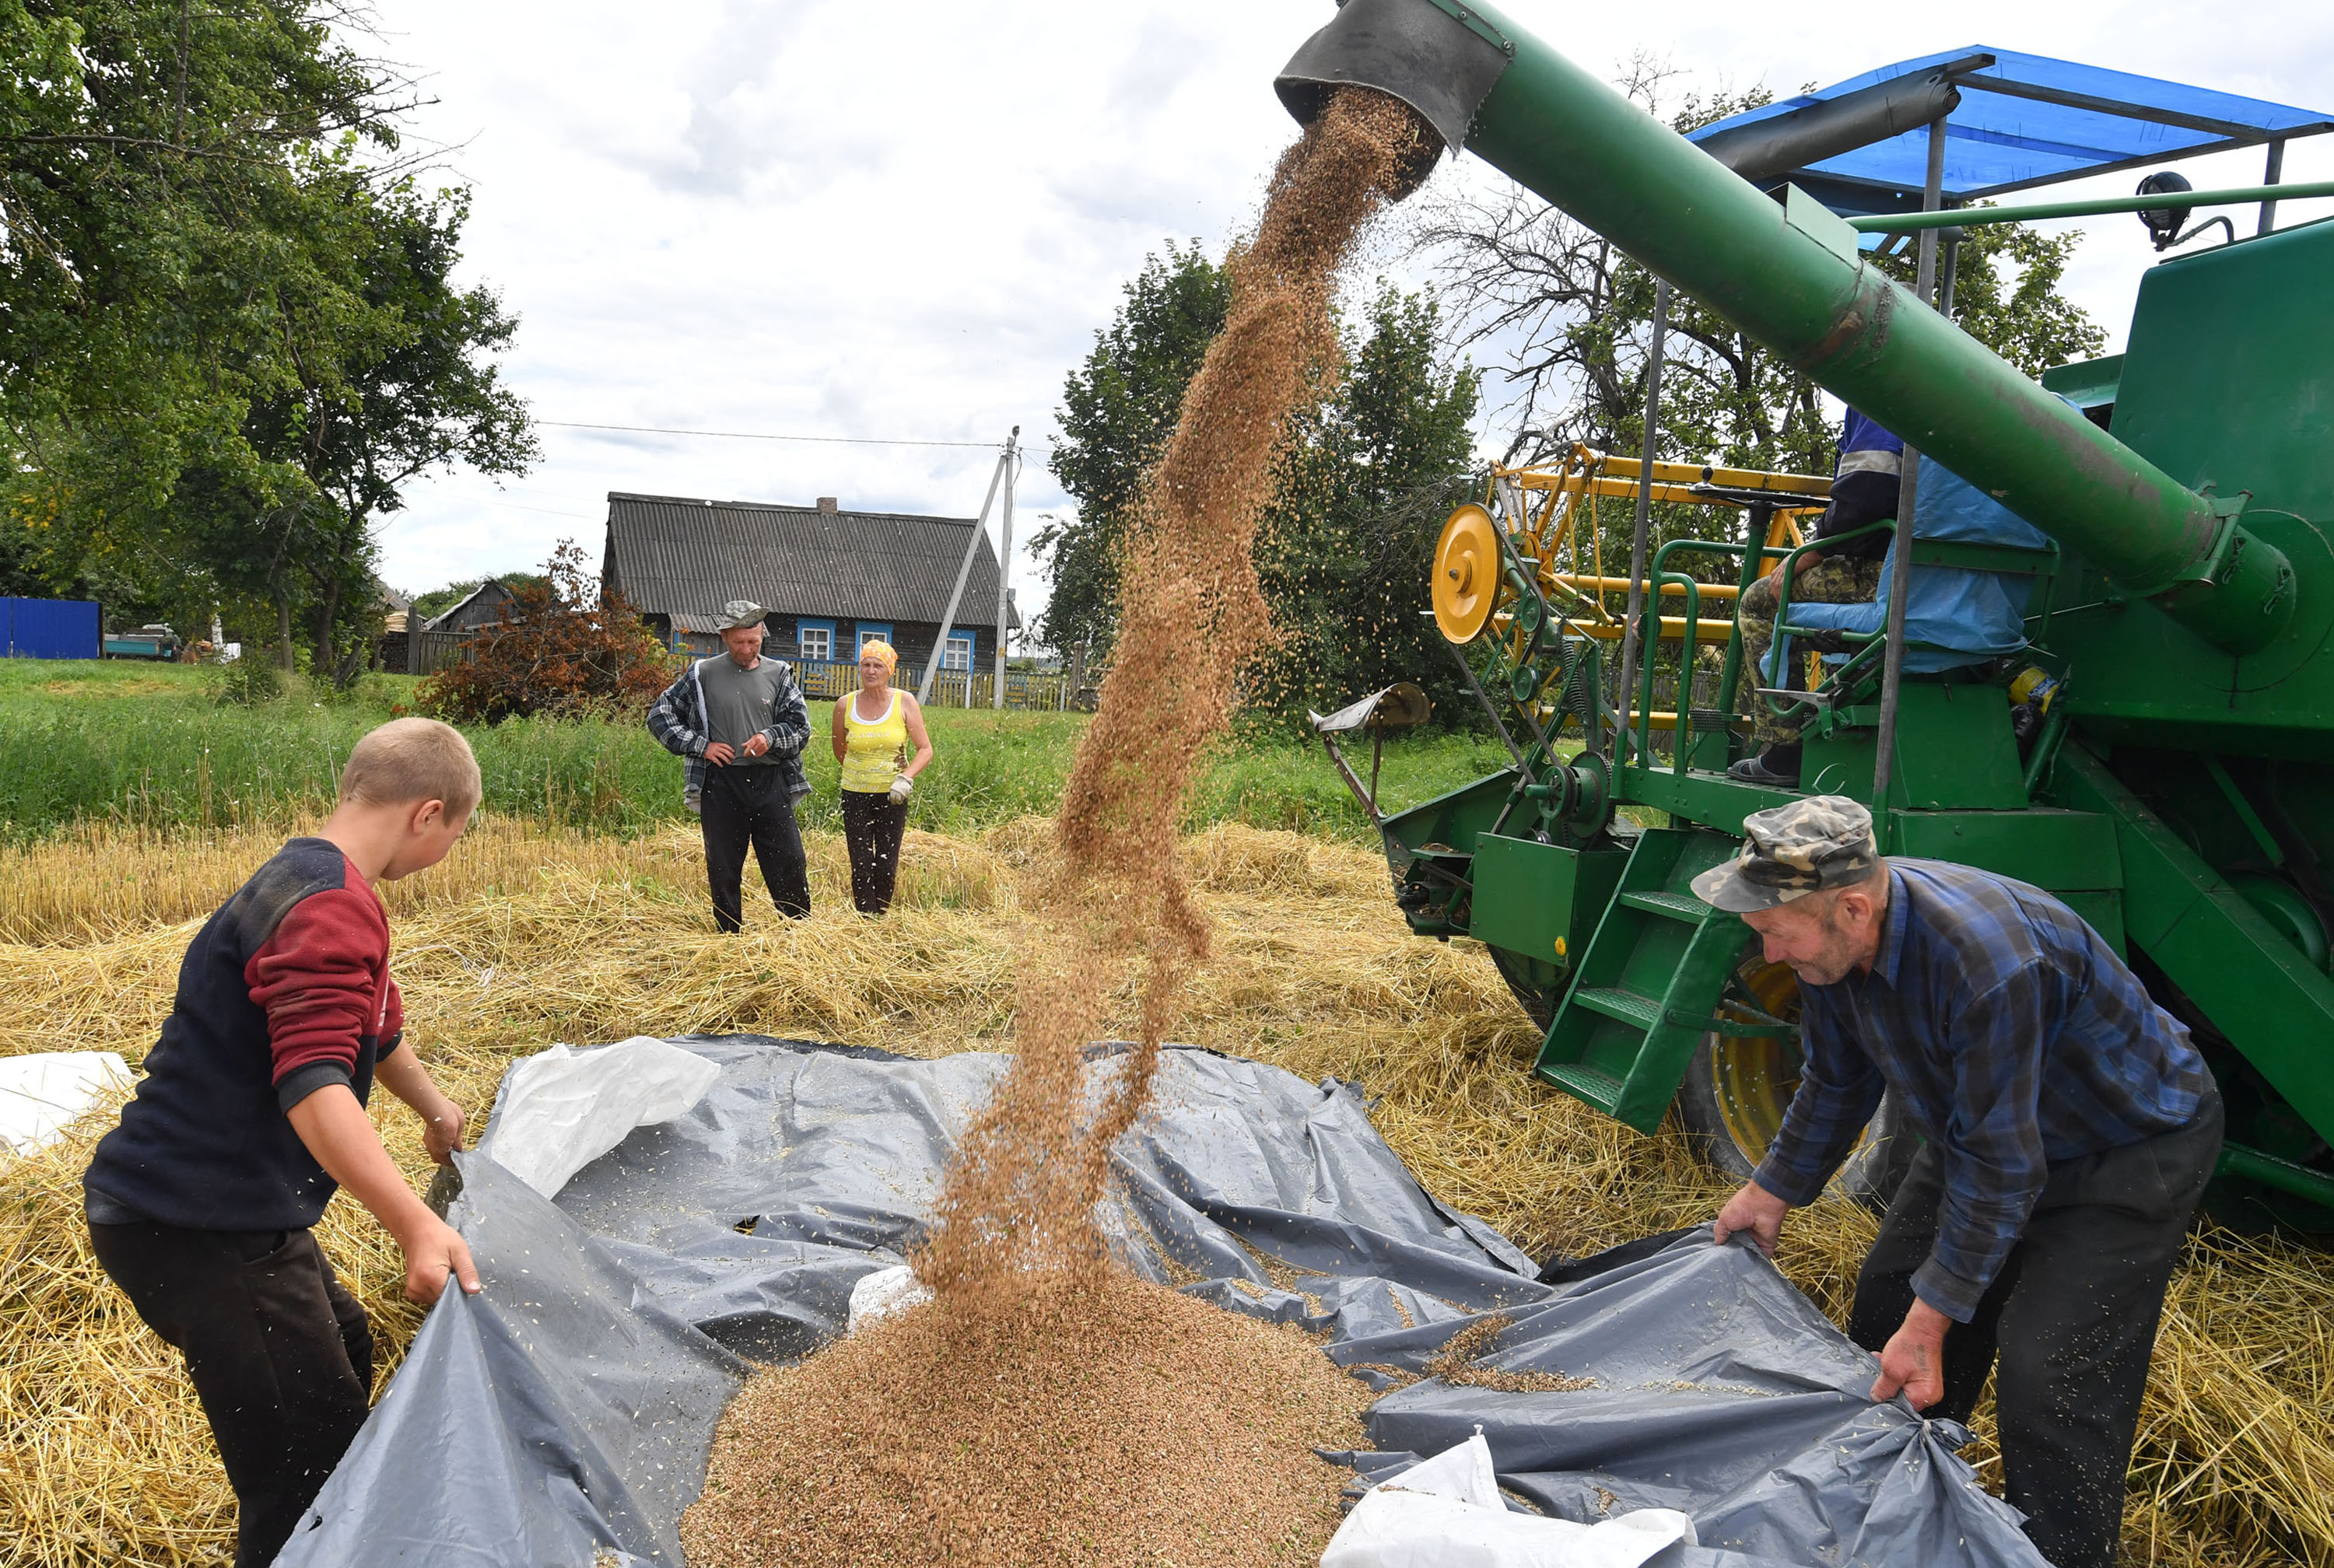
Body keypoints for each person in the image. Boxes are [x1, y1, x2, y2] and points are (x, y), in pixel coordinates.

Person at [1695, 796, 2223, 1568]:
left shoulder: (1986, 960)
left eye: (1777, 933)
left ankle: (2060, 1554)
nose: (1771, 955)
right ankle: (1900, 1516)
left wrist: (1936, 1318)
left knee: (2050, 1383)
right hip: (1977, 1125)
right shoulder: (1831, 947)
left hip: (2122, 1148)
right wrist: (1769, 1190)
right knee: (1886, 1308)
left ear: (1850, 907)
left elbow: (2005, 1168)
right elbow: (1836, 1083)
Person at [81, 717, 485, 1568]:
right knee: (302, 1475)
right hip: (192, 1224)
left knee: (345, 1346)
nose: (449, 851)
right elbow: (314, 1087)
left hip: (211, 1207)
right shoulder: (332, 903)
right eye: (456, 834)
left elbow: (369, 1021)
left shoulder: (311, 874)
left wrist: (434, 1106)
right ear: (429, 812)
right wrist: (416, 1224)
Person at [1730, 408, 1900, 786]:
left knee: (1758, 603)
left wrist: (1814, 550)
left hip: (1883, 572)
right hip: (1959, 582)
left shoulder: (1885, 394)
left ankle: (1786, 748)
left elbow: (1868, 489)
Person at [647, 600, 814, 930]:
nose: (747, 649)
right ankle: (729, 935)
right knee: (723, 865)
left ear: (762, 635)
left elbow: (801, 727)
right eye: (740, 642)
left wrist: (770, 737)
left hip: (771, 780)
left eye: (754, 641)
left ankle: (799, 933)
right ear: (724, 636)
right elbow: (659, 716)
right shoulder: (702, 674)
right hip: (721, 783)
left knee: (789, 860)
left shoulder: (779, 674)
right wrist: (701, 746)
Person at [830, 639, 933, 915]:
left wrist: (906, 777)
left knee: (886, 863)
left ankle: (882, 916)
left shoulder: (904, 702)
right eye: (865, 665)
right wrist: (863, 772)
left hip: (893, 795)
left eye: (877, 665)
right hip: (855, 794)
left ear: (890, 671)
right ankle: (866, 920)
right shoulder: (844, 704)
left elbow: (925, 749)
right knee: (861, 863)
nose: (870, 671)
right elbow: (840, 749)